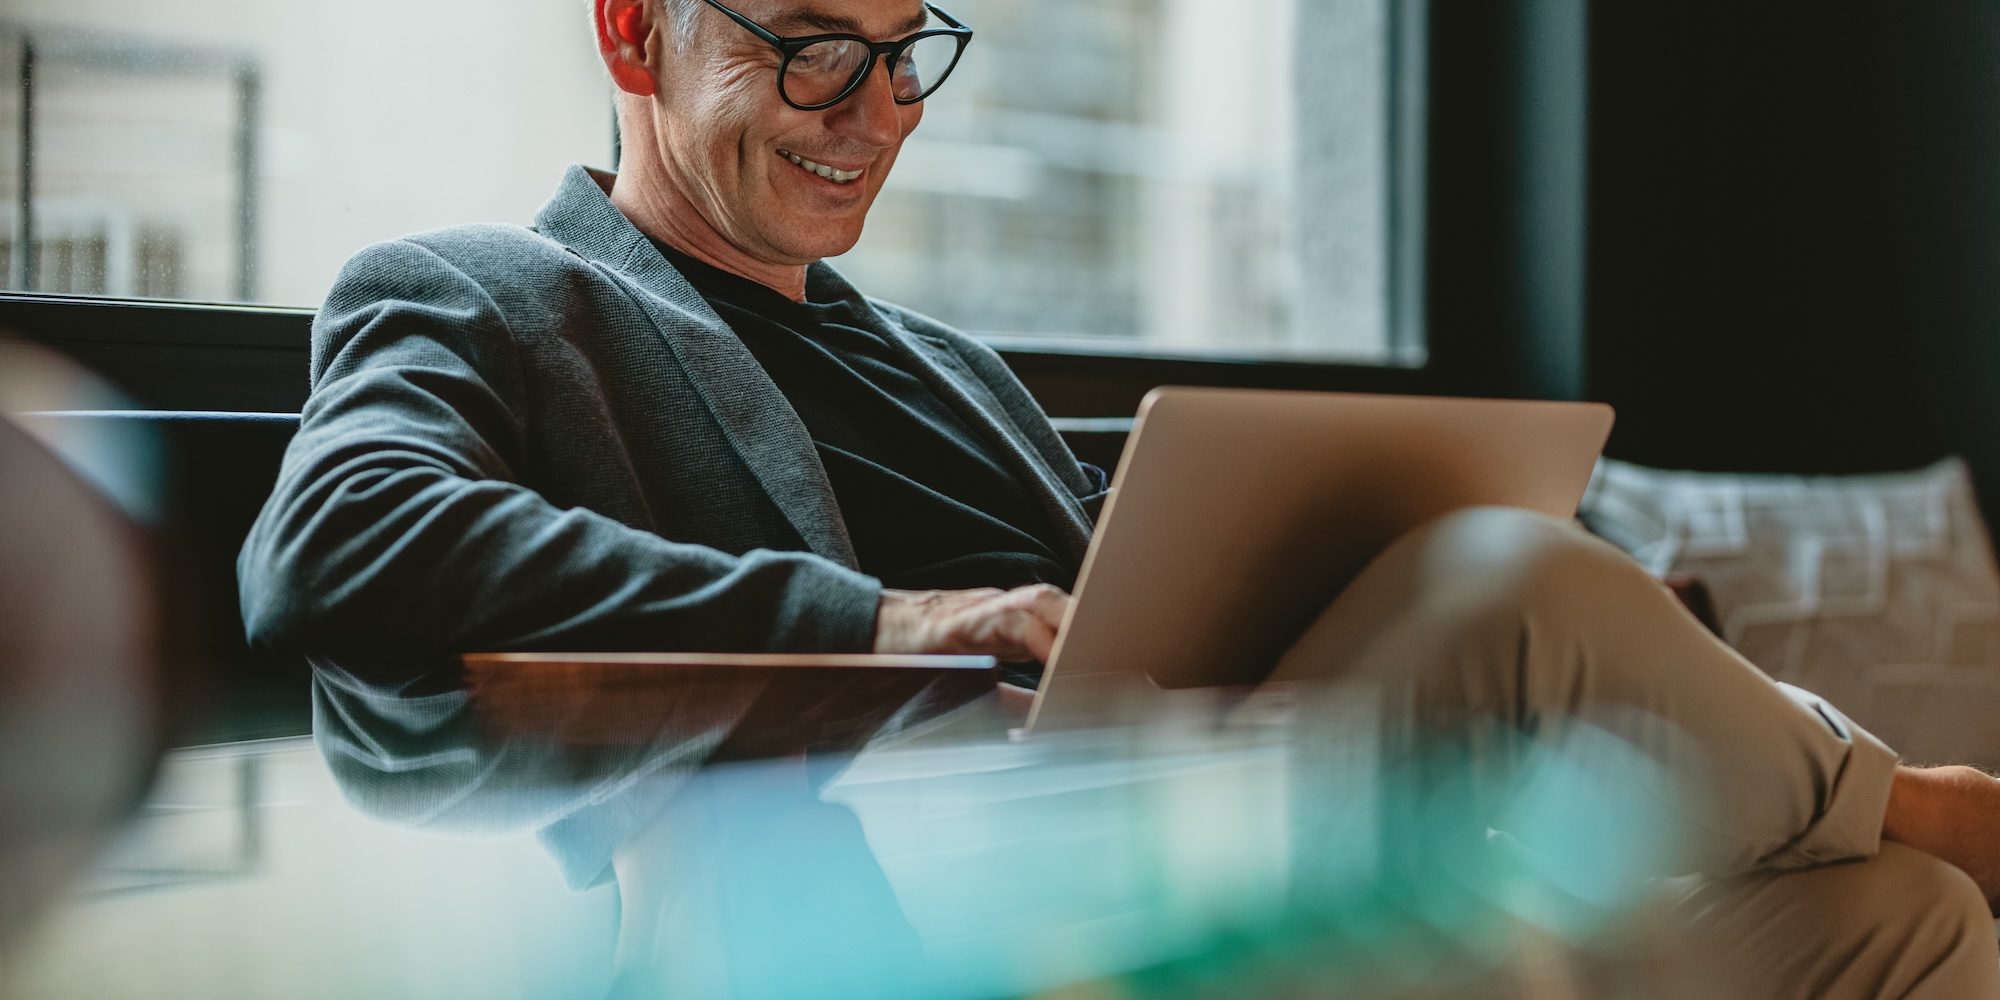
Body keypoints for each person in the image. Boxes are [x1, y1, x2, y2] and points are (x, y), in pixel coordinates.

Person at [236, 0, 2000, 995]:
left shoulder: (948, 364)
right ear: (632, 30)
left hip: (1214, 825)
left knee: (1902, 931)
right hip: (925, 905)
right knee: (1506, 588)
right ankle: (1902, 790)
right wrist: (893, 620)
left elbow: (1155, 587)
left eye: (905, 47)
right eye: (811, 52)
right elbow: (342, 542)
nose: (876, 112)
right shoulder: (478, 289)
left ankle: (1877, 834)